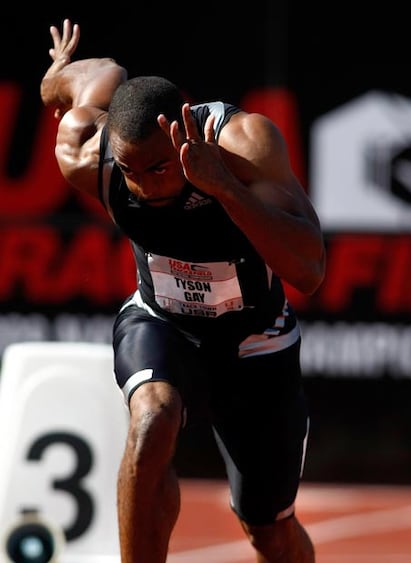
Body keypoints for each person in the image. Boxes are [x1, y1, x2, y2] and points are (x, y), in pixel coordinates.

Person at [40, 18, 325, 563]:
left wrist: (221, 186)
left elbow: (309, 267)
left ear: (183, 130)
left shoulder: (244, 146)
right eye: (130, 171)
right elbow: (72, 85)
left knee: (269, 533)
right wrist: (55, 75)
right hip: (163, 320)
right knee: (152, 419)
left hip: (255, 341)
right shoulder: (86, 153)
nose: (144, 186)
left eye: (160, 167)